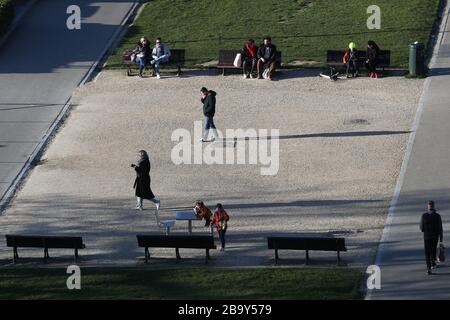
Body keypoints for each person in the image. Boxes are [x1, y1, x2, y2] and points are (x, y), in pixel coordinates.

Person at [420, 200, 444, 275]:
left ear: (428, 206)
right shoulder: (437, 216)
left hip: (427, 236)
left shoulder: (424, 216)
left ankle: (428, 268)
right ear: (433, 206)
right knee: (433, 250)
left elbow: (421, 228)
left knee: (427, 252)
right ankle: (433, 263)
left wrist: (426, 230)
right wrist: (441, 239)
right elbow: (440, 228)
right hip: (435, 236)